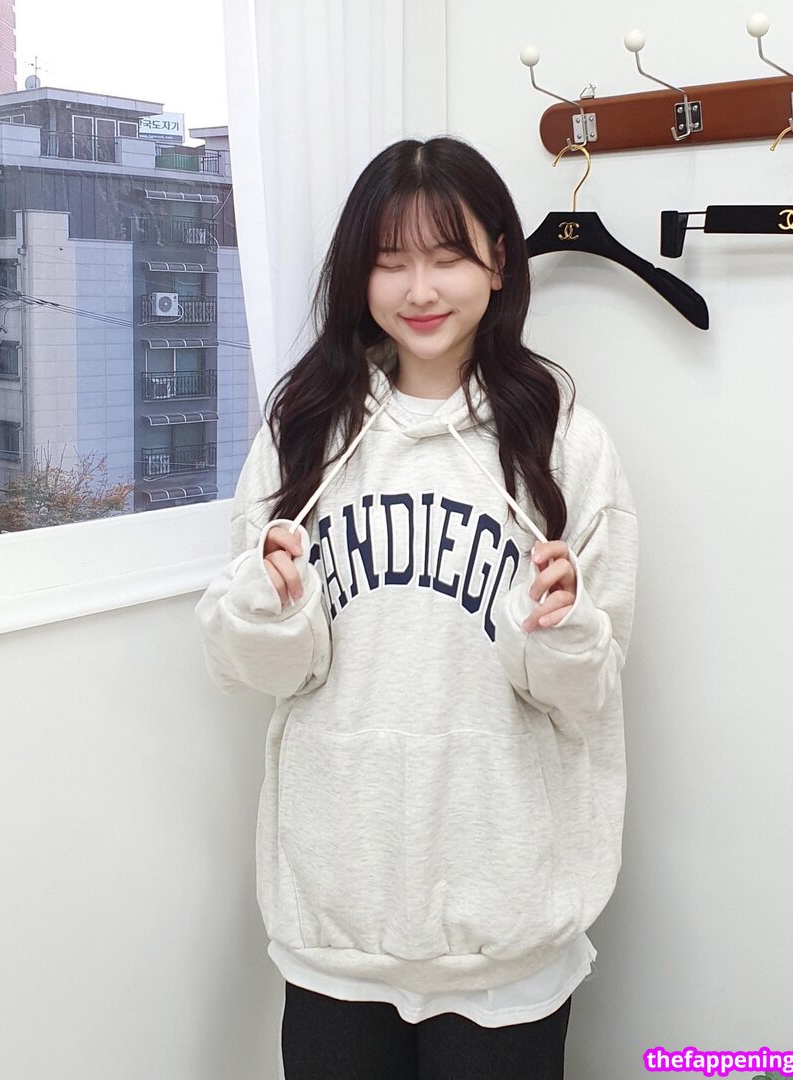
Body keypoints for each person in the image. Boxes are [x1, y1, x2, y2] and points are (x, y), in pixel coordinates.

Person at [194, 135, 638, 1079]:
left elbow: (586, 697)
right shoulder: (304, 433)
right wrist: (268, 608)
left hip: (505, 934)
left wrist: (561, 630)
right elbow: (265, 672)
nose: (420, 289)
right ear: (358, 274)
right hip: (335, 929)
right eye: (390, 261)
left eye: (447, 256)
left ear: (498, 263)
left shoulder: (563, 443)